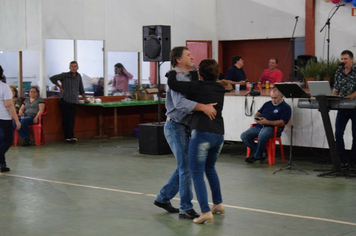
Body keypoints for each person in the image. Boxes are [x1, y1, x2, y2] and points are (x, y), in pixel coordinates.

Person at [153, 46, 217, 220]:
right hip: (175, 126)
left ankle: (163, 198)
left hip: (185, 127)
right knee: (186, 166)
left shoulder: (190, 75)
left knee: (185, 166)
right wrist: (203, 107)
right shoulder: (176, 77)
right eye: (188, 55)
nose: (193, 57)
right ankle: (185, 208)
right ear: (179, 60)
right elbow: (180, 103)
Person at [166, 58, 225, 224]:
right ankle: (218, 203)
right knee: (210, 168)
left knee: (197, 172)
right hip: (219, 134)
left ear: (200, 75)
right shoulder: (220, 88)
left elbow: (174, 85)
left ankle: (205, 211)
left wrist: (171, 73)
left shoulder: (197, 87)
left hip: (202, 134)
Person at [241, 88, 291, 163]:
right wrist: (256, 118)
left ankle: (257, 156)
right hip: (259, 126)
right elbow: (258, 113)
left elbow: (282, 122)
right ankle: (262, 153)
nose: (273, 100)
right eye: (272, 98)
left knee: (262, 136)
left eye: (275, 98)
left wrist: (267, 122)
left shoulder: (286, 107)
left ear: (281, 97)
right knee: (244, 136)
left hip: (272, 128)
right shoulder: (267, 104)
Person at [50, 61, 90, 143]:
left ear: (77, 68)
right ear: (69, 67)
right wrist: (59, 86)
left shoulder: (78, 76)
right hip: (65, 99)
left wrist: (85, 98)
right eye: (72, 66)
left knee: (71, 119)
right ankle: (67, 136)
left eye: (75, 66)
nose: (73, 67)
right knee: (66, 118)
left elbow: (81, 88)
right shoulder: (64, 75)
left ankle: (71, 136)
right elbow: (52, 78)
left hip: (74, 100)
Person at [333, 50, 356, 168]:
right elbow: (336, 88)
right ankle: (341, 160)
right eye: (342, 59)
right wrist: (332, 96)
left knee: (355, 134)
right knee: (338, 133)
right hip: (342, 106)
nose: (343, 61)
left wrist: (347, 98)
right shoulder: (338, 72)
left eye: (345, 59)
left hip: (354, 106)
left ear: (352, 59)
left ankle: (353, 160)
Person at [0, 81, 21, 172]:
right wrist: (16, 120)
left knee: (1, 142)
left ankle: (3, 165)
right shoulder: (4, 87)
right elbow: (9, 104)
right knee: (8, 140)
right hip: (3, 118)